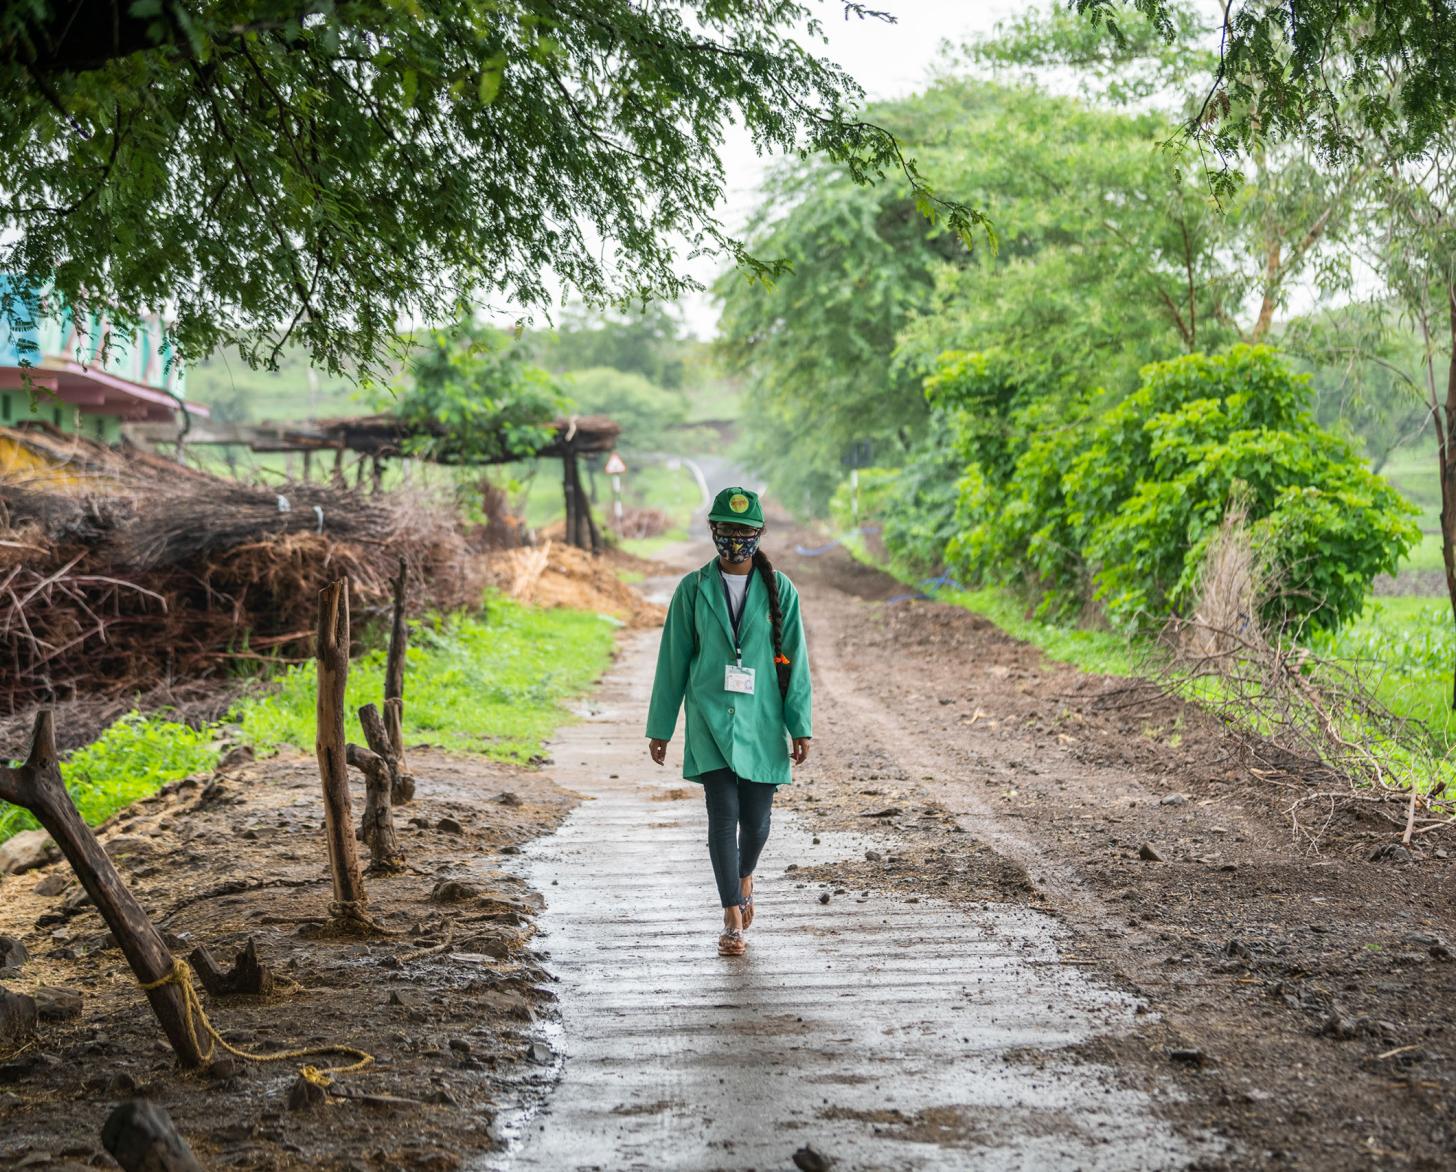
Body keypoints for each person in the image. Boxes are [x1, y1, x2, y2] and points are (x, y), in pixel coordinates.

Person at [645, 486, 813, 957]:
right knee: (723, 816)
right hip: (710, 720)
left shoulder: (782, 590)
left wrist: (800, 725)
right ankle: (732, 917)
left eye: (745, 530)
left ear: (760, 533)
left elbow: (796, 662)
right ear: (712, 530)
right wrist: (661, 727)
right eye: (727, 529)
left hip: (762, 722)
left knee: (756, 823)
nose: (735, 538)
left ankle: (745, 876)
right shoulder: (692, 589)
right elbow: (672, 661)